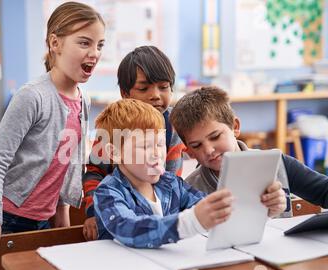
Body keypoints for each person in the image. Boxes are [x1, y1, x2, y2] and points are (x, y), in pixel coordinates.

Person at [0, 1, 105, 270]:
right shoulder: (32, 96)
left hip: (41, 222)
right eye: (84, 42)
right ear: (55, 43)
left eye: (99, 45)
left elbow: (69, 163)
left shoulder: (82, 99)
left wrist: (62, 217)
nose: (95, 53)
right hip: (1, 218)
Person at [92, 99, 238, 248]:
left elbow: (205, 205)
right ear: (115, 152)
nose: (157, 154)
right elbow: (130, 230)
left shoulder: (172, 183)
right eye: (145, 146)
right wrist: (190, 222)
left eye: (160, 144)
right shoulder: (108, 192)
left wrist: (230, 207)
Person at [169, 86, 328, 216]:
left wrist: (279, 206)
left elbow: (324, 192)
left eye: (215, 136)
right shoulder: (189, 190)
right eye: (197, 145)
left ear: (235, 127)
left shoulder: (277, 164)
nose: (209, 150)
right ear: (189, 151)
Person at [83, 46, 187, 241]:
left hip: (162, 216)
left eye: (163, 87)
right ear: (125, 93)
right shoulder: (114, 125)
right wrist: (92, 212)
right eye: (143, 88)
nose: (155, 94)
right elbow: (94, 172)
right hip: (119, 217)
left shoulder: (174, 123)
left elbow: (172, 179)